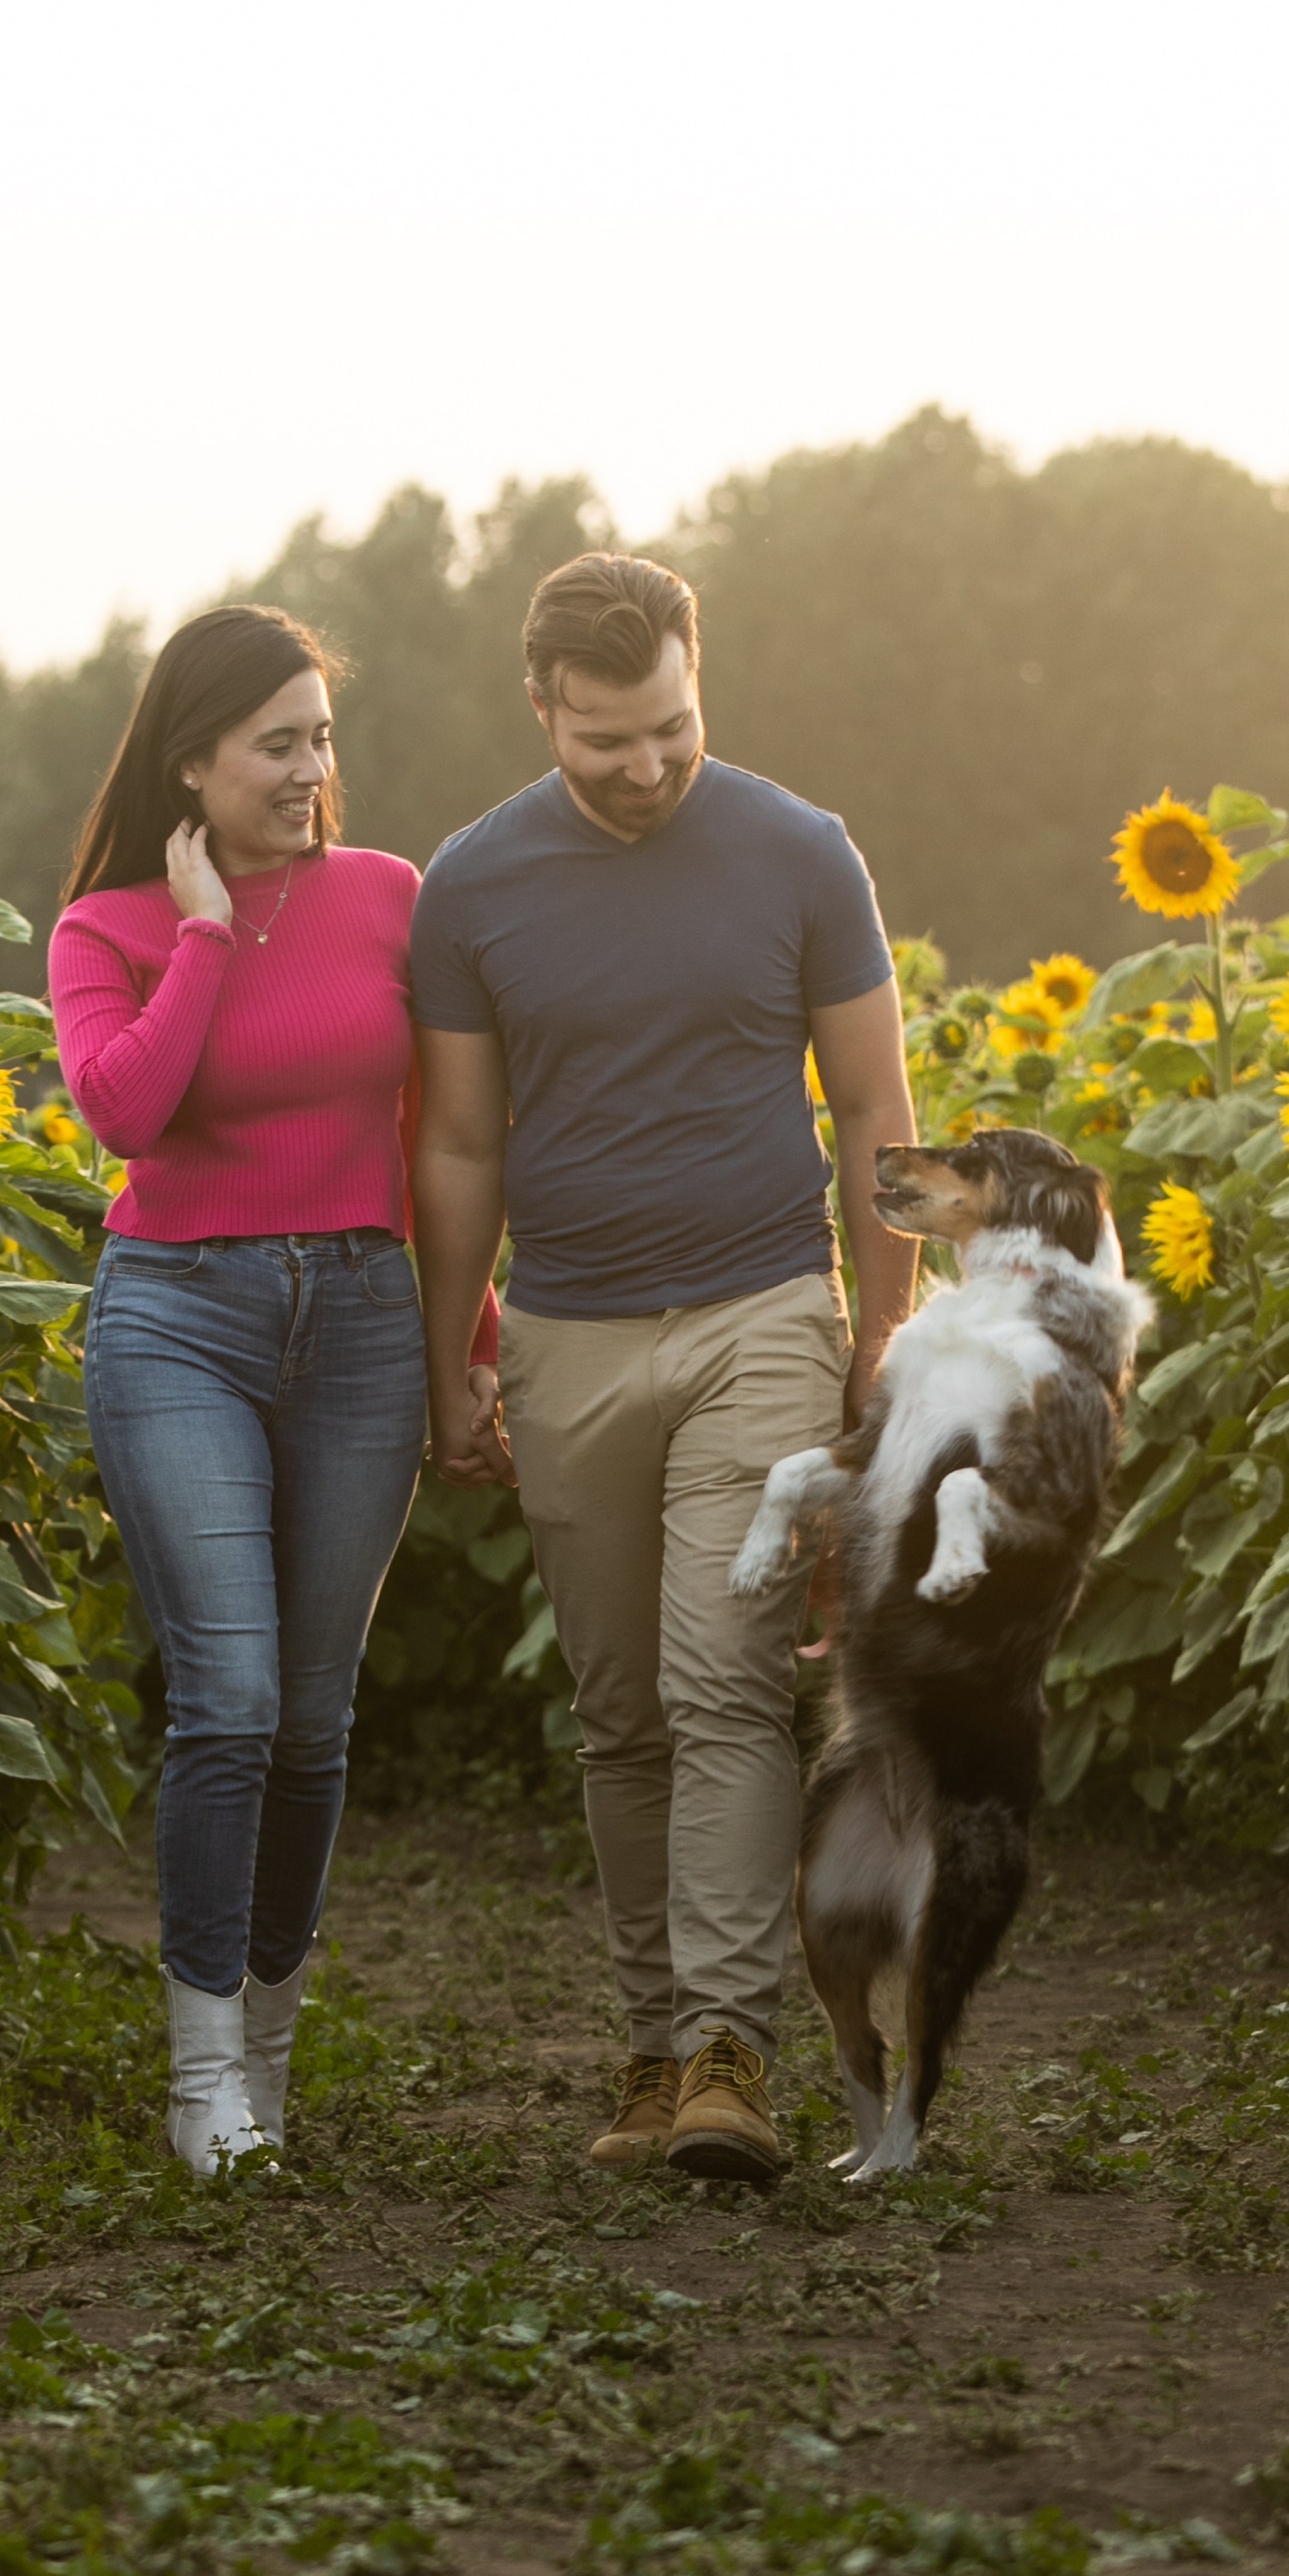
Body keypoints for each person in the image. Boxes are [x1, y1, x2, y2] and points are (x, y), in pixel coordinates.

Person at [410, 552, 918, 2184]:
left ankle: (728, 2055)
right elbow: (465, 1142)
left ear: (701, 678)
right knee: (619, 1709)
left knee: (720, 1678)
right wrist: (451, 1357)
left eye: (671, 732)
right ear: (541, 709)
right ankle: (648, 2050)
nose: (641, 770)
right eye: (604, 743)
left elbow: (875, 1120)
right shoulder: (471, 888)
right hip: (562, 1334)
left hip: (759, 1314)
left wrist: (882, 1337)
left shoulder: (800, 853)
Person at [50, 606, 495, 2175]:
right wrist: (202, 932)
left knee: (311, 1721)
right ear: (195, 760)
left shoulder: (391, 898)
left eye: (323, 737)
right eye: (279, 744)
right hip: (179, 1319)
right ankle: (197, 2088)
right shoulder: (107, 929)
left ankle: (269, 2057)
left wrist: (470, 1334)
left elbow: (435, 1134)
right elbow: (126, 1113)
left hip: (368, 1319)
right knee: (227, 1702)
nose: (315, 770)